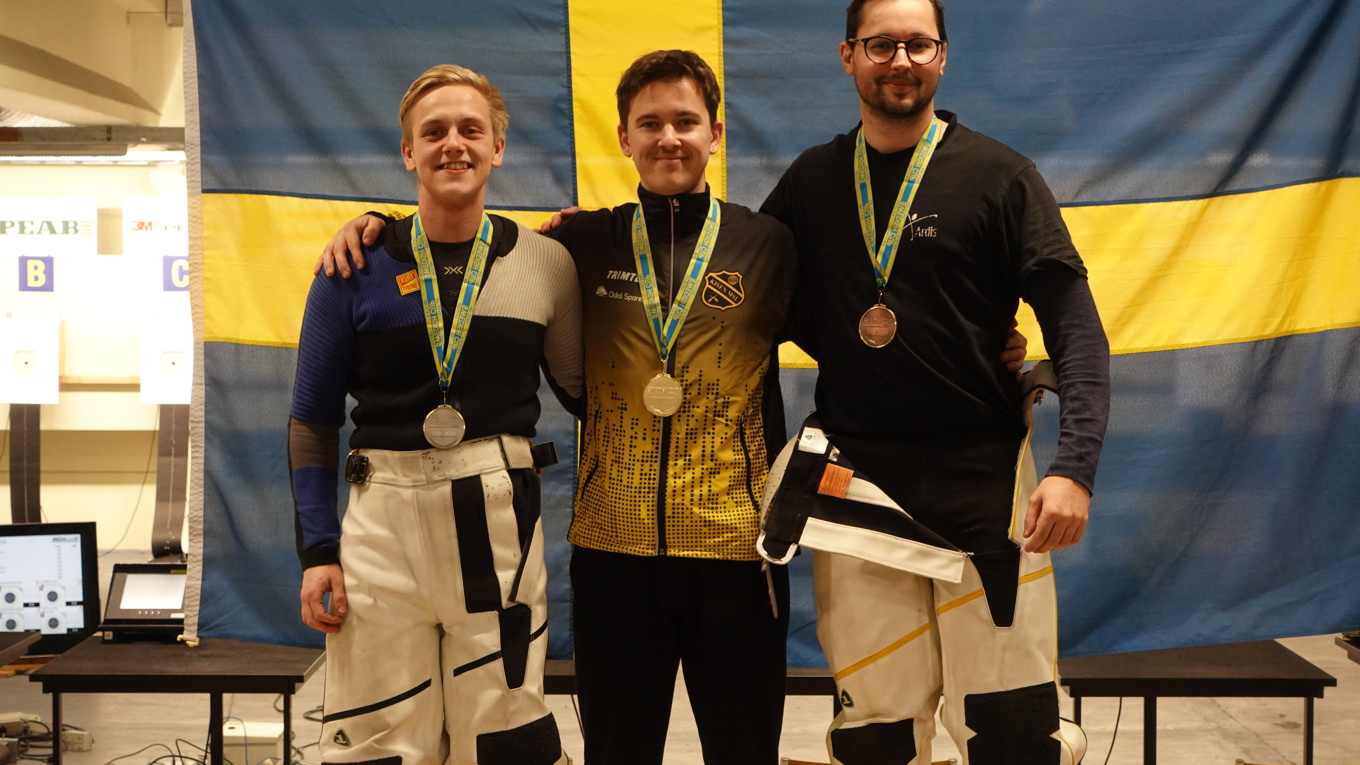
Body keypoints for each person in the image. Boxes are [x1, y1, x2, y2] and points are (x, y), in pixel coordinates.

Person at [317, 50, 1030, 765]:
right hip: (613, 555)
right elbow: (472, 254)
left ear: (714, 134)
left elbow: (862, 333)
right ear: (623, 137)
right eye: (650, 123)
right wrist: (377, 225)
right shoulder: (577, 244)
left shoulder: (769, 244)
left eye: (685, 122)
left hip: (739, 553)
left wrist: (983, 345)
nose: (668, 138)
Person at [757, 0, 1111, 763]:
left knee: (1016, 737)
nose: (901, 61)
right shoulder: (812, 181)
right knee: (876, 741)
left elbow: (1078, 330)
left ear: (943, 56)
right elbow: (742, 289)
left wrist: (1075, 467)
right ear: (848, 55)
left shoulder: (1001, 176)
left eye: (918, 45)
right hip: (856, 495)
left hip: (985, 491)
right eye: (881, 44)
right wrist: (592, 241)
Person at [288, 64, 580, 765]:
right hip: (380, 528)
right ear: (408, 152)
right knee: (377, 747)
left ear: (497, 148)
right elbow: (311, 422)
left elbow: (586, 394)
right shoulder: (351, 266)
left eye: (471, 130)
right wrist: (318, 554)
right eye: (434, 131)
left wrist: (596, 245)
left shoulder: (548, 263)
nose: (454, 143)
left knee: (506, 741)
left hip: (499, 523)